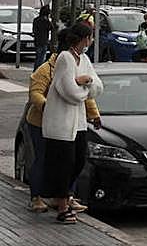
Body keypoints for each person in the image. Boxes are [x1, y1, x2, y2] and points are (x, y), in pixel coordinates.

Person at [25, 47, 100, 214]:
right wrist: (47, 106)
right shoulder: (45, 70)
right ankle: (37, 197)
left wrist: (94, 115)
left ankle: (67, 197)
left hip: (66, 123)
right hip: (40, 122)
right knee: (43, 159)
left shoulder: (75, 67)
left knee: (69, 161)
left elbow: (84, 96)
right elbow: (35, 93)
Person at [42, 23, 103, 225]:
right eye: (90, 38)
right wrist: (85, 85)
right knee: (62, 165)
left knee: (78, 161)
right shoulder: (65, 58)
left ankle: (65, 197)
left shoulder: (84, 59)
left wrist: (84, 81)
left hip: (78, 123)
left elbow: (98, 87)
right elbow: (70, 93)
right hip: (60, 125)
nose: (91, 41)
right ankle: (61, 205)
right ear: (84, 39)